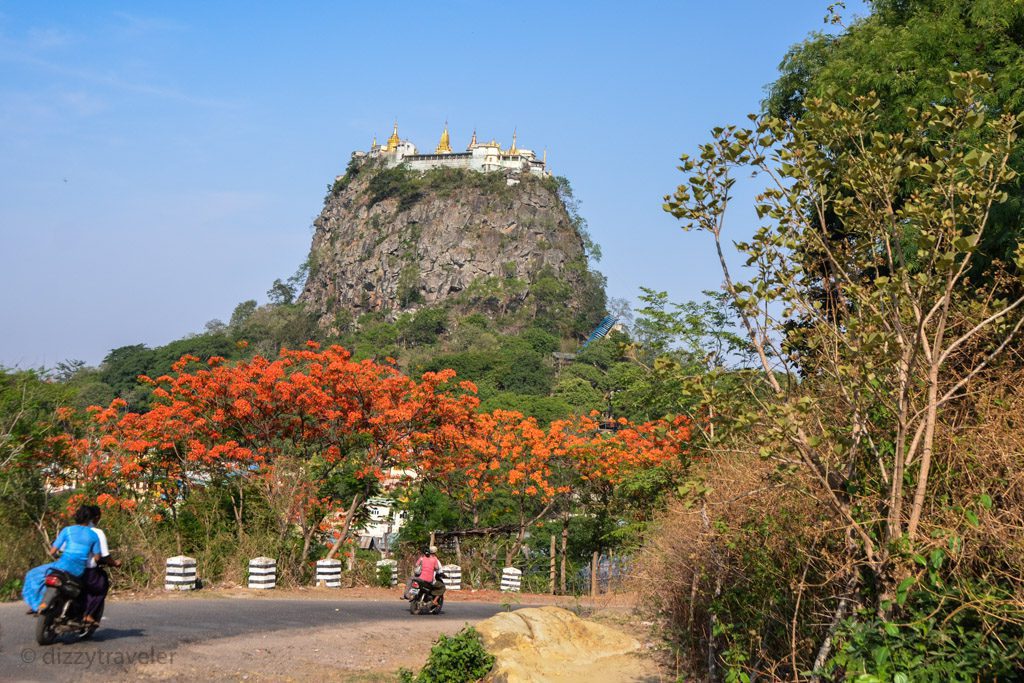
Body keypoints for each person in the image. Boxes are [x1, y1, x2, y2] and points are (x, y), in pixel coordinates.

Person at [23, 505, 102, 614]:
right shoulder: (94, 535)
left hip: (62, 565)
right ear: (90, 519)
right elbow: (97, 557)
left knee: (32, 574)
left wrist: (57, 556)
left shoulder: (67, 530)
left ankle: (36, 604)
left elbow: (52, 551)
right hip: (78, 570)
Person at [82, 505, 121, 625]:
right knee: (101, 586)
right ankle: (88, 614)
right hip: (87, 569)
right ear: (96, 518)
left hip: (67, 567)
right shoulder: (97, 533)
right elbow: (103, 556)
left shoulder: (71, 530)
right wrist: (114, 563)